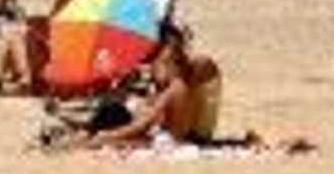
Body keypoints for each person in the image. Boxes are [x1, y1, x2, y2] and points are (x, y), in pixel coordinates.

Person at [53, 23, 223, 149]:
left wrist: (106, 137)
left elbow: (142, 126)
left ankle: (84, 135)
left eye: (158, 62)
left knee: (111, 128)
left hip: (169, 140)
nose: (154, 68)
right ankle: (84, 132)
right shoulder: (180, 86)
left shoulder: (175, 88)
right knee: (116, 111)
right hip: (174, 135)